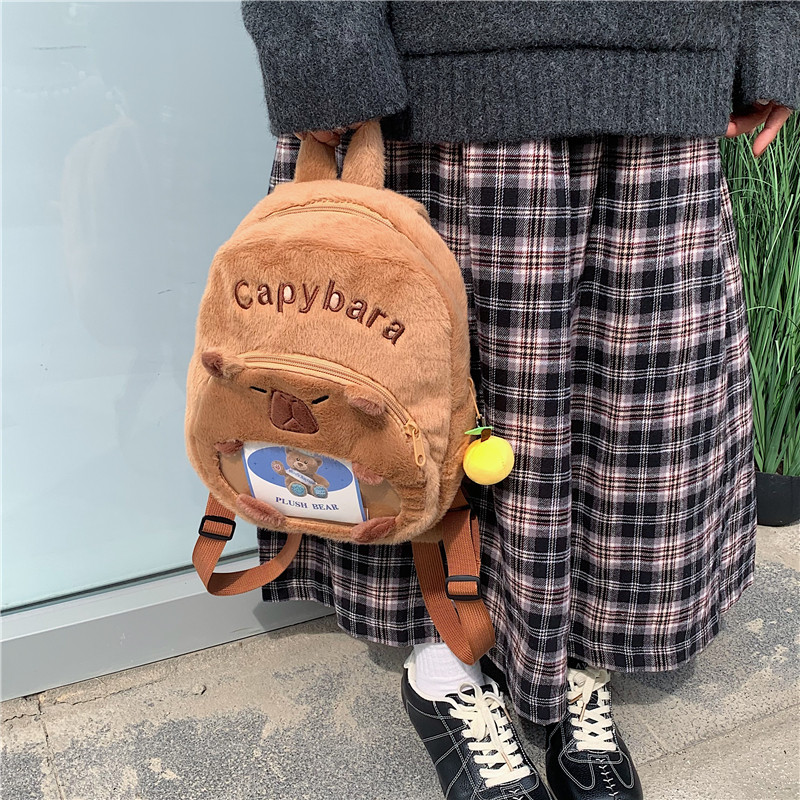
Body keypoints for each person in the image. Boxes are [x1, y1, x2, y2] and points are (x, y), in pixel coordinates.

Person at [241, 2, 798, 798]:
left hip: (669, 63)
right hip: (448, 77)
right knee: (417, 396)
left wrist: (770, 34)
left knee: (637, 414)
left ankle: (576, 650)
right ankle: (444, 662)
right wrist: (322, 47)